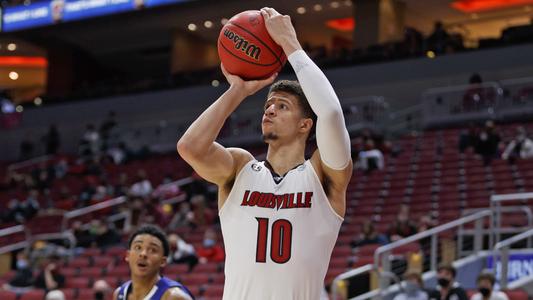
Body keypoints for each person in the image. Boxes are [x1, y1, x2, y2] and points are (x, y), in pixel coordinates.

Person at [177, 7, 352, 300]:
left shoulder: (323, 174)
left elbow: (332, 113)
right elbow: (190, 148)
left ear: (305, 125)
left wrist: (290, 45)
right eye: (268, 105)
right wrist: (238, 90)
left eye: (282, 106)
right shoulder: (240, 168)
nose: (269, 109)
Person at [113, 224, 194, 300]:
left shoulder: (174, 297)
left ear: (163, 261)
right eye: (138, 247)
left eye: (152, 250)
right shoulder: (119, 294)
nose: (143, 254)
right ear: (128, 255)